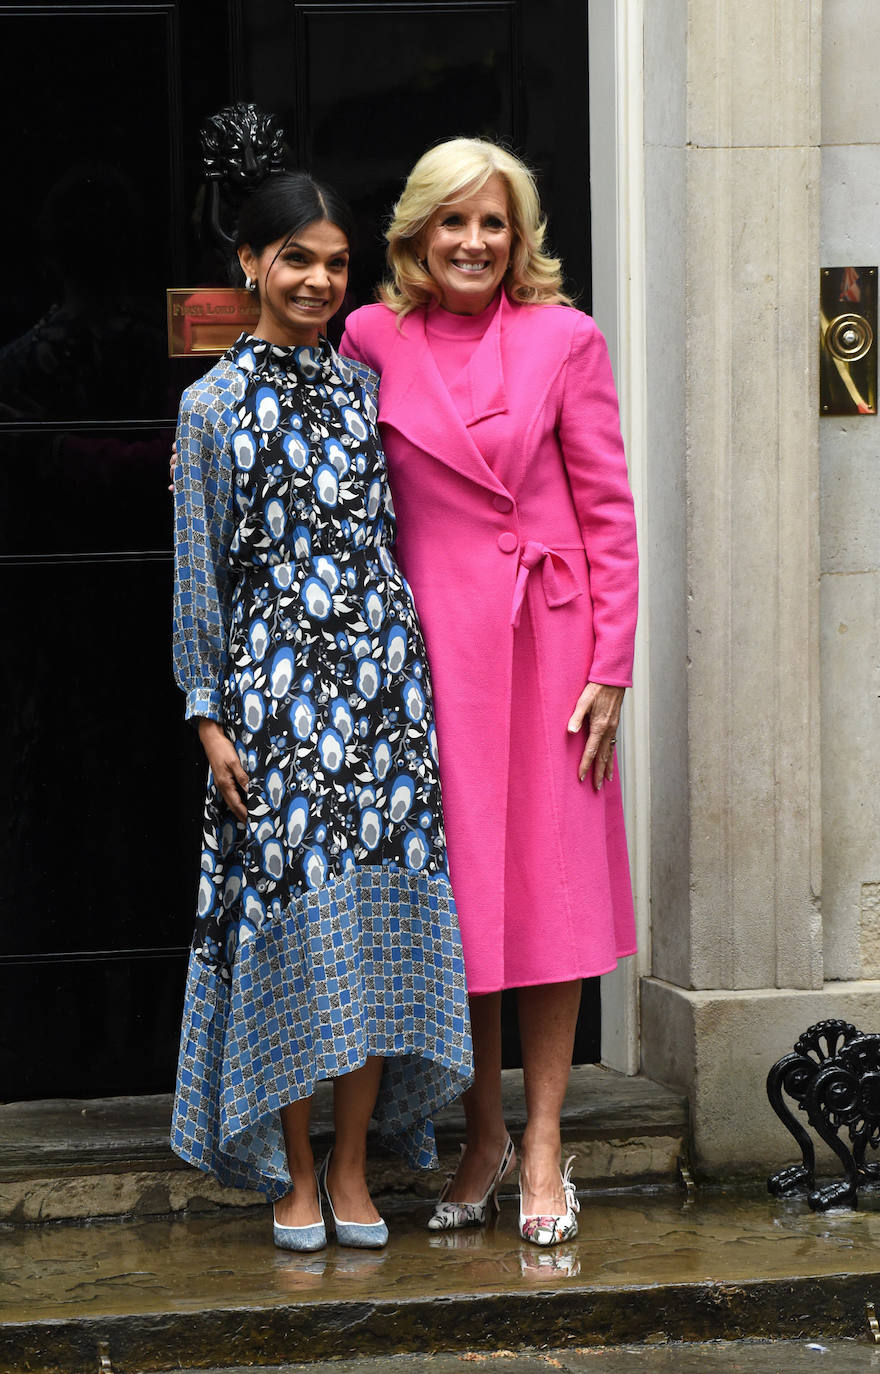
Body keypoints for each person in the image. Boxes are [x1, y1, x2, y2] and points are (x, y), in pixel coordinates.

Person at [340, 138, 638, 1247]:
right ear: (416, 235)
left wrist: (612, 666)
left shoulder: (567, 338)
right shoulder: (370, 338)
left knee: (548, 899)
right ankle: (481, 1135)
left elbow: (608, 512)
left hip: (551, 653)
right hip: (427, 658)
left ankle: (546, 1139)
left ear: (520, 240)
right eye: (453, 222)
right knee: (459, 907)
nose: (474, 242)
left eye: (495, 224)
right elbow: (316, 451)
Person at [170, 171, 473, 1253]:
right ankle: (293, 1168)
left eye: (335, 262)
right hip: (273, 703)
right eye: (296, 257)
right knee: (295, 934)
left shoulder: (361, 389)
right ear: (249, 264)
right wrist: (209, 719)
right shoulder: (209, 408)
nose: (317, 279)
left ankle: (353, 1167)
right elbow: (196, 576)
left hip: (384, 692)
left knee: (378, 929)